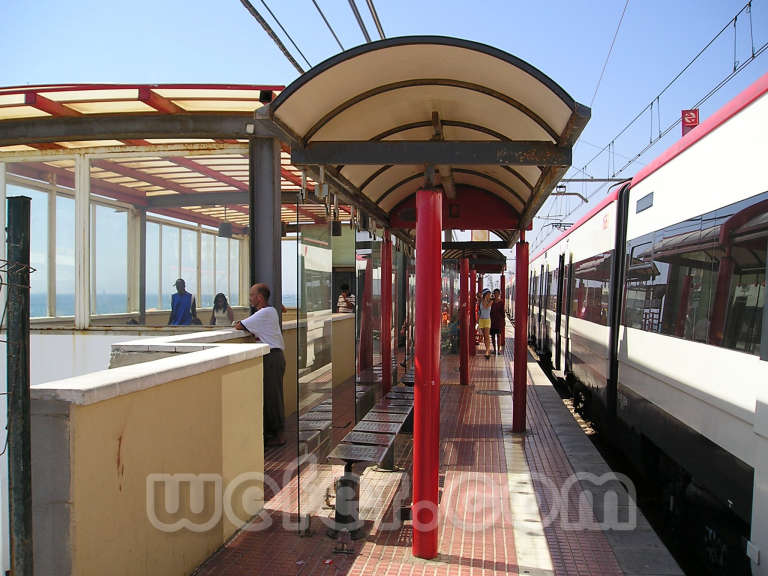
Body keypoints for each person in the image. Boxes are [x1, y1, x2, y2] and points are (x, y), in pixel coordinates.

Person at [235, 283, 286, 447]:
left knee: (272, 397)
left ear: (259, 297)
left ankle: (279, 435)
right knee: (270, 395)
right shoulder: (269, 312)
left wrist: (240, 323)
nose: (250, 298)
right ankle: (272, 432)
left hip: (271, 357)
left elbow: (239, 325)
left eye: (251, 295)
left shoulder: (265, 312)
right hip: (273, 357)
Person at [478, 288, 493, 359]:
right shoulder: (481, 301)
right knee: (484, 337)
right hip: (481, 320)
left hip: (487, 320)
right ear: (485, 295)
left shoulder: (490, 301)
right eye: (488, 294)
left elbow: (486, 306)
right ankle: (487, 350)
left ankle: (487, 351)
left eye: (490, 294)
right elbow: (483, 306)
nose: (489, 295)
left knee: (487, 336)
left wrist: (482, 298)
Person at [490, 288, 505, 355]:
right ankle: (494, 349)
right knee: (492, 336)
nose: (496, 294)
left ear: (499, 294)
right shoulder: (491, 301)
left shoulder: (501, 302)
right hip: (492, 320)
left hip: (499, 320)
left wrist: (504, 320)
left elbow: (502, 312)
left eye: (497, 293)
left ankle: (498, 350)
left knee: (499, 335)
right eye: (495, 293)